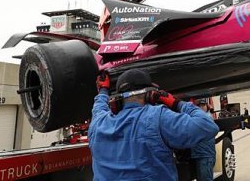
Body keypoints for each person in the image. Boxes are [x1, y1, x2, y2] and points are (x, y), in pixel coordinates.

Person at [89, 69, 219, 181]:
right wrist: (176, 103)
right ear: (151, 95)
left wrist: (103, 90)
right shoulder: (158, 117)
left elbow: (99, 107)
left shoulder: (99, 123)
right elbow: (207, 125)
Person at [191, 98, 217, 181]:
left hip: (205, 156)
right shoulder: (201, 117)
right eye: (199, 106)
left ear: (207, 106)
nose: (201, 107)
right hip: (200, 155)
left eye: (203, 105)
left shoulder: (206, 117)